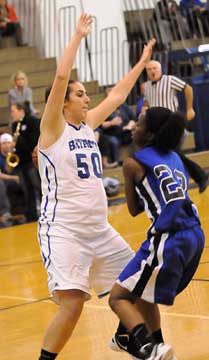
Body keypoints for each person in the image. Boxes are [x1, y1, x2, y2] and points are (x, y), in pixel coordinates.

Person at [37, 14, 155, 360]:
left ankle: (124, 337)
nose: (87, 99)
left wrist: (140, 64)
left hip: (98, 229)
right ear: (63, 102)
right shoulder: (53, 129)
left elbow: (118, 95)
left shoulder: (87, 126)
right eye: (80, 94)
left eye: (86, 94)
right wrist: (77, 35)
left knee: (137, 282)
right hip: (64, 231)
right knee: (73, 305)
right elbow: (61, 76)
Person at [109, 107, 205, 360]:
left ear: (149, 134)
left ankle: (148, 348)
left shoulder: (133, 163)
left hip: (170, 237)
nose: (133, 126)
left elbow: (132, 209)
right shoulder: (175, 157)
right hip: (195, 234)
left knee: (118, 298)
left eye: (138, 123)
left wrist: (130, 176)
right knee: (144, 293)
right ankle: (159, 349)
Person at [143, 59, 208, 193]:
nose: (152, 71)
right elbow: (147, 103)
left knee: (173, 153)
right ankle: (197, 177)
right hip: (158, 128)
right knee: (171, 155)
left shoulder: (169, 80)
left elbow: (188, 88)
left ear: (160, 69)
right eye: (149, 69)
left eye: (154, 68)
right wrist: (144, 112)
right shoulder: (147, 86)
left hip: (172, 125)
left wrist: (190, 109)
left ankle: (199, 176)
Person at [10, 102, 41, 222]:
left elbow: (33, 142)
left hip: (31, 161)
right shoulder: (14, 125)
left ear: (21, 110)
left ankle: (46, 210)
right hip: (20, 162)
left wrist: (19, 142)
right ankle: (31, 214)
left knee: (37, 186)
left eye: (13, 111)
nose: (12, 114)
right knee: (27, 189)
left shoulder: (32, 121)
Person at [101, 87, 137, 164]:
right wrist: (111, 123)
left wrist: (130, 125)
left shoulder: (123, 106)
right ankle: (117, 162)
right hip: (112, 133)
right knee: (114, 141)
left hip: (125, 132)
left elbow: (133, 118)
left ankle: (137, 159)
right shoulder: (103, 108)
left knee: (137, 137)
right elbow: (101, 125)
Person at [0, 132, 25, 224]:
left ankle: (27, 209)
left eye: (9, 143)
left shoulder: (15, 154)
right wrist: (14, 178)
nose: (7, 145)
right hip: (4, 181)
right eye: (4, 143)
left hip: (16, 179)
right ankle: (5, 212)